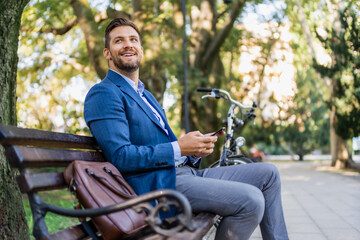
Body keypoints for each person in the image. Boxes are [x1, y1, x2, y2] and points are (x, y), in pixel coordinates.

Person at [84, 18, 289, 240]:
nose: (128, 45)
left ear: (141, 50)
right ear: (107, 53)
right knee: (251, 200)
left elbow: (171, 147)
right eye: (119, 41)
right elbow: (121, 156)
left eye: (133, 39)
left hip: (183, 174)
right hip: (158, 189)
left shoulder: (146, 95)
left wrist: (193, 151)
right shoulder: (104, 93)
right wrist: (179, 148)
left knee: (268, 173)